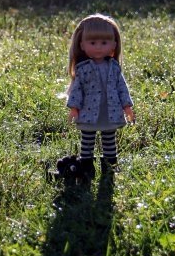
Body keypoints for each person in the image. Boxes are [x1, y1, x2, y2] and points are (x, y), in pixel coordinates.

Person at [57, 13, 135, 182]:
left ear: (114, 45)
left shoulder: (114, 68)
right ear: (82, 45)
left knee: (109, 139)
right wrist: (74, 108)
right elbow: (77, 90)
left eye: (104, 43)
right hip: (88, 111)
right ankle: (86, 166)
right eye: (92, 43)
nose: (98, 47)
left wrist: (127, 106)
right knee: (87, 139)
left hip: (110, 111)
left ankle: (109, 165)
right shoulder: (83, 69)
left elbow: (122, 88)